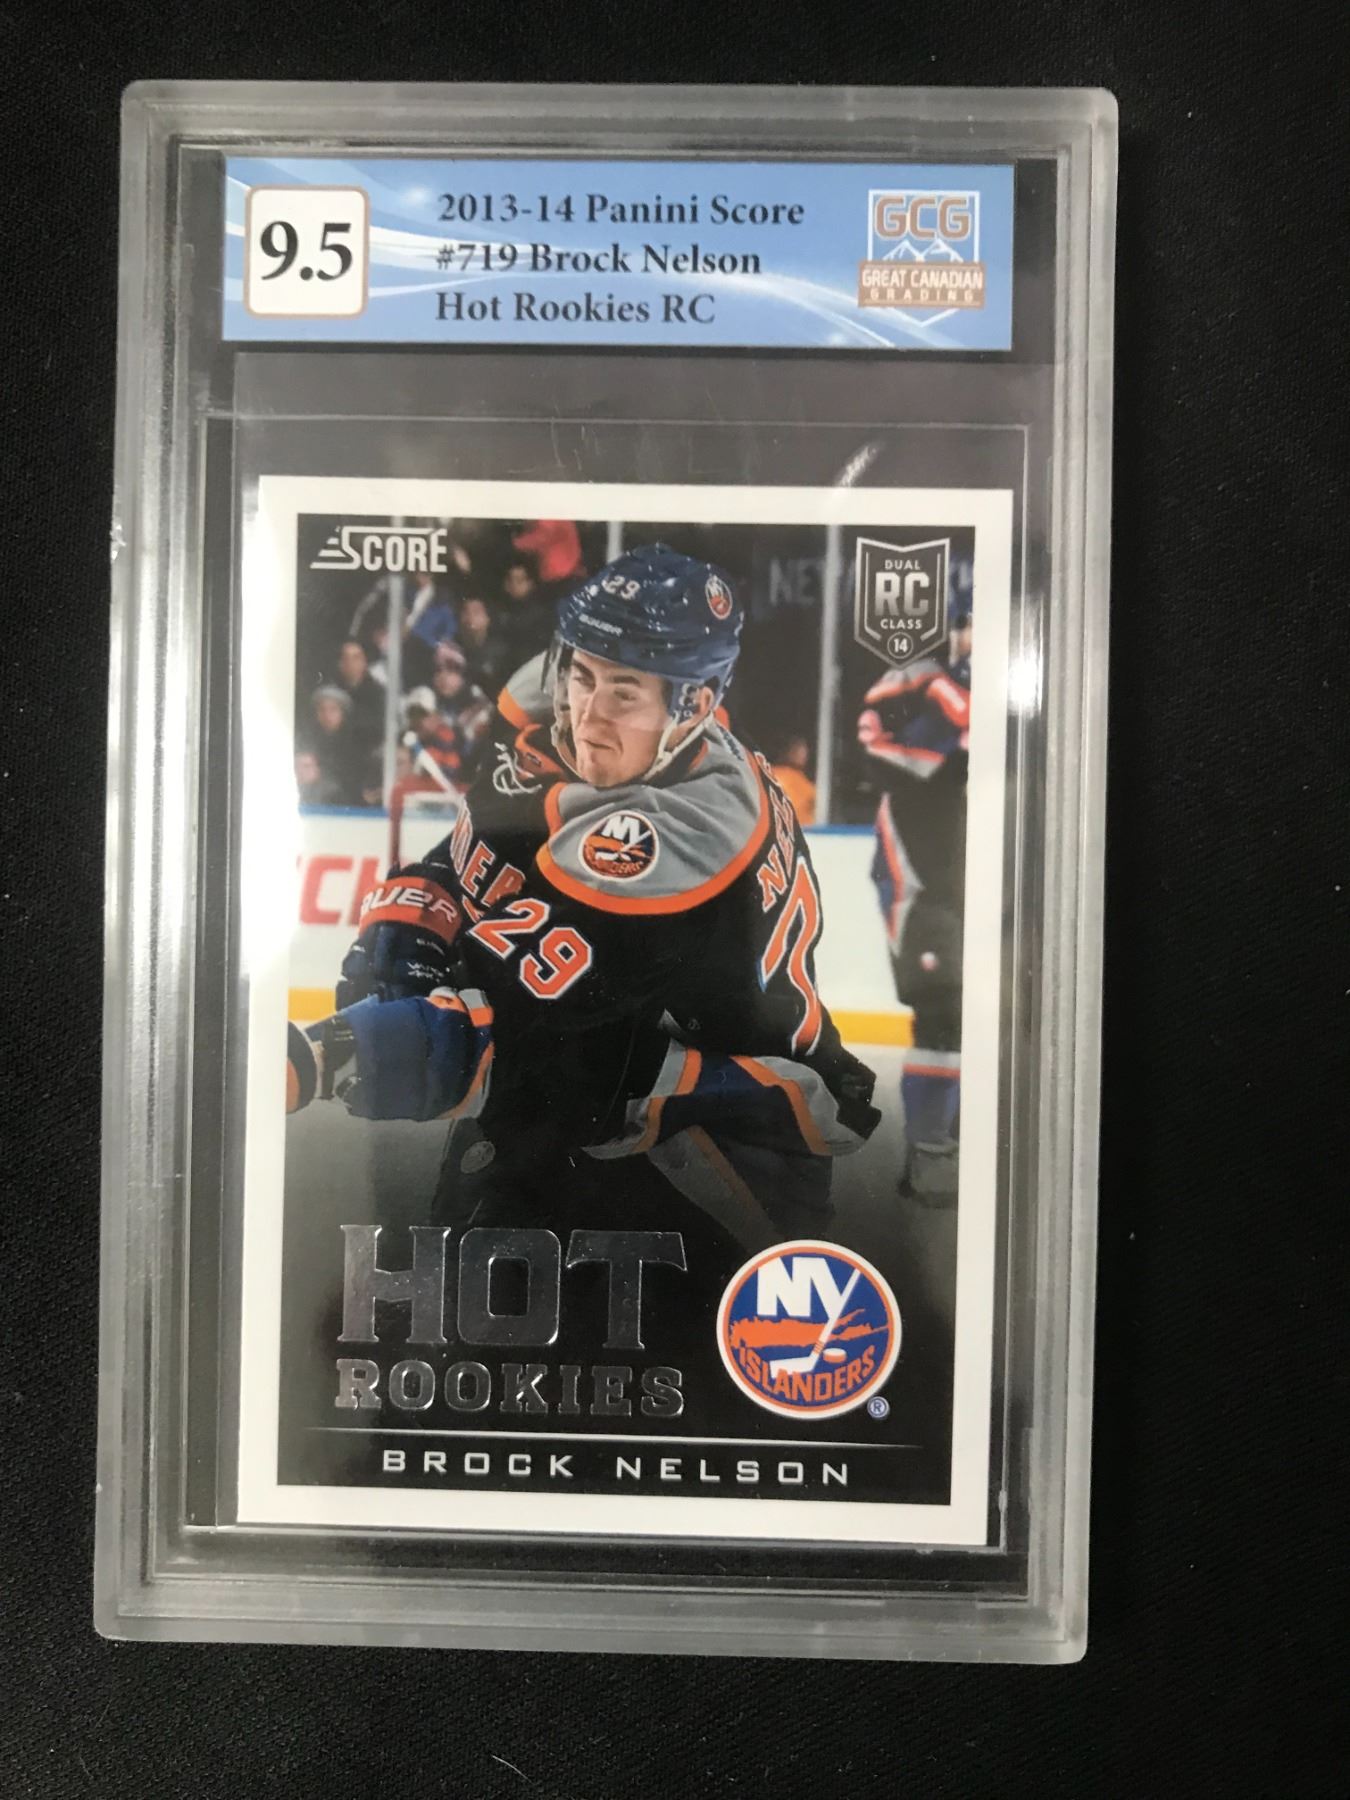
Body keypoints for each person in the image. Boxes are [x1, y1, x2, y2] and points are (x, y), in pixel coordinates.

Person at [288, 545, 879, 1236]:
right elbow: (479, 860)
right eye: (582, 675)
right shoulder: (569, 714)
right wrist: (411, 921)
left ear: (694, 704)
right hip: (613, 1065)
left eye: (624, 692)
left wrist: (317, 1058)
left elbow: (520, 1028)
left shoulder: (686, 830)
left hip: (723, 1147)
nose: (589, 716)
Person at [856, 595, 972, 1204]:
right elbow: (891, 755)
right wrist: (962, 697)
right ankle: (931, 1151)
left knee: (994, 1017)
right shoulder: (917, 682)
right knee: (942, 1013)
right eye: (970, 624)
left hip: (991, 884)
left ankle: (961, 1144)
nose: (979, 636)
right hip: (923, 883)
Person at [456, 595, 513, 699]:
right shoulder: (452, 648)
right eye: (466, 612)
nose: (470, 617)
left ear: (487, 619)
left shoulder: (500, 652)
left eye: (476, 612)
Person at [335, 637, 385, 745]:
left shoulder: (379, 694)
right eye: (345, 658)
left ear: (365, 662)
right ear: (339, 663)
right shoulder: (331, 693)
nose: (349, 663)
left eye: (356, 658)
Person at [769, 734, 817, 827]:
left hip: (806, 830)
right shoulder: (773, 774)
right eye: (797, 749)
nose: (803, 754)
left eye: (804, 750)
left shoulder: (805, 781)